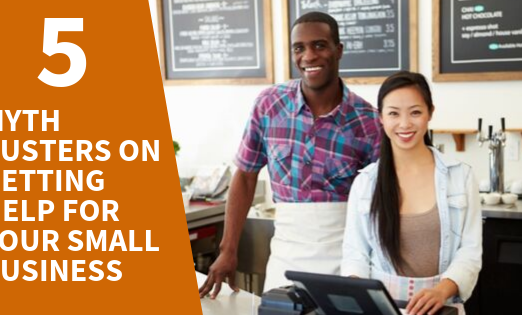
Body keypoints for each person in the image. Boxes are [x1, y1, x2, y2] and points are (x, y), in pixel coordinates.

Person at [199, 11, 382, 299]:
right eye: (300, 48)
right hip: (285, 258)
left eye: (320, 45)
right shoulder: (269, 105)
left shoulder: (368, 121)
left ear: (339, 50)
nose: (309, 56)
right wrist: (228, 250)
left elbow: (383, 203)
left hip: (347, 261)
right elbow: (245, 177)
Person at [341, 71, 482, 315]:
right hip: (382, 307)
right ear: (381, 118)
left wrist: (442, 290)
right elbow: (356, 253)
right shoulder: (366, 183)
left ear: (430, 113)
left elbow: (470, 251)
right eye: (394, 113)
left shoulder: (460, 177)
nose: (405, 124)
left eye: (415, 112)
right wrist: (357, 291)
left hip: (442, 306)